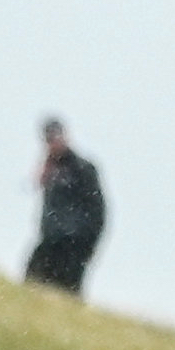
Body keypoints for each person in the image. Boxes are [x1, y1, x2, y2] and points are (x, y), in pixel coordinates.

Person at [28, 120, 107, 297]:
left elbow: (97, 211)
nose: (54, 142)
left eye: (56, 136)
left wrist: (83, 240)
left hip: (74, 244)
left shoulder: (83, 169)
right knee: (33, 281)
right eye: (49, 138)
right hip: (52, 240)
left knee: (68, 291)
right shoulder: (49, 169)